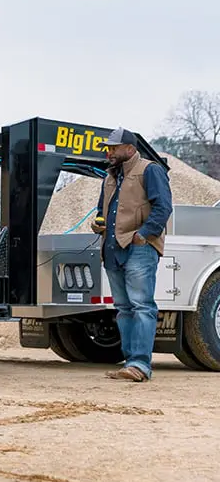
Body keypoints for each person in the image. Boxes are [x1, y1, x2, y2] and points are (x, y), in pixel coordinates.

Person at [90, 127, 173, 382]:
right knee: (124, 308)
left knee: (142, 306)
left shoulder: (150, 170)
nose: (109, 152)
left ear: (130, 149)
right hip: (113, 249)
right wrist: (98, 224)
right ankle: (130, 363)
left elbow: (164, 207)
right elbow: (101, 210)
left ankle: (140, 364)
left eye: (113, 148)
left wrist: (143, 235)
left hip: (138, 247)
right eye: (108, 148)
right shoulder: (109, 177)